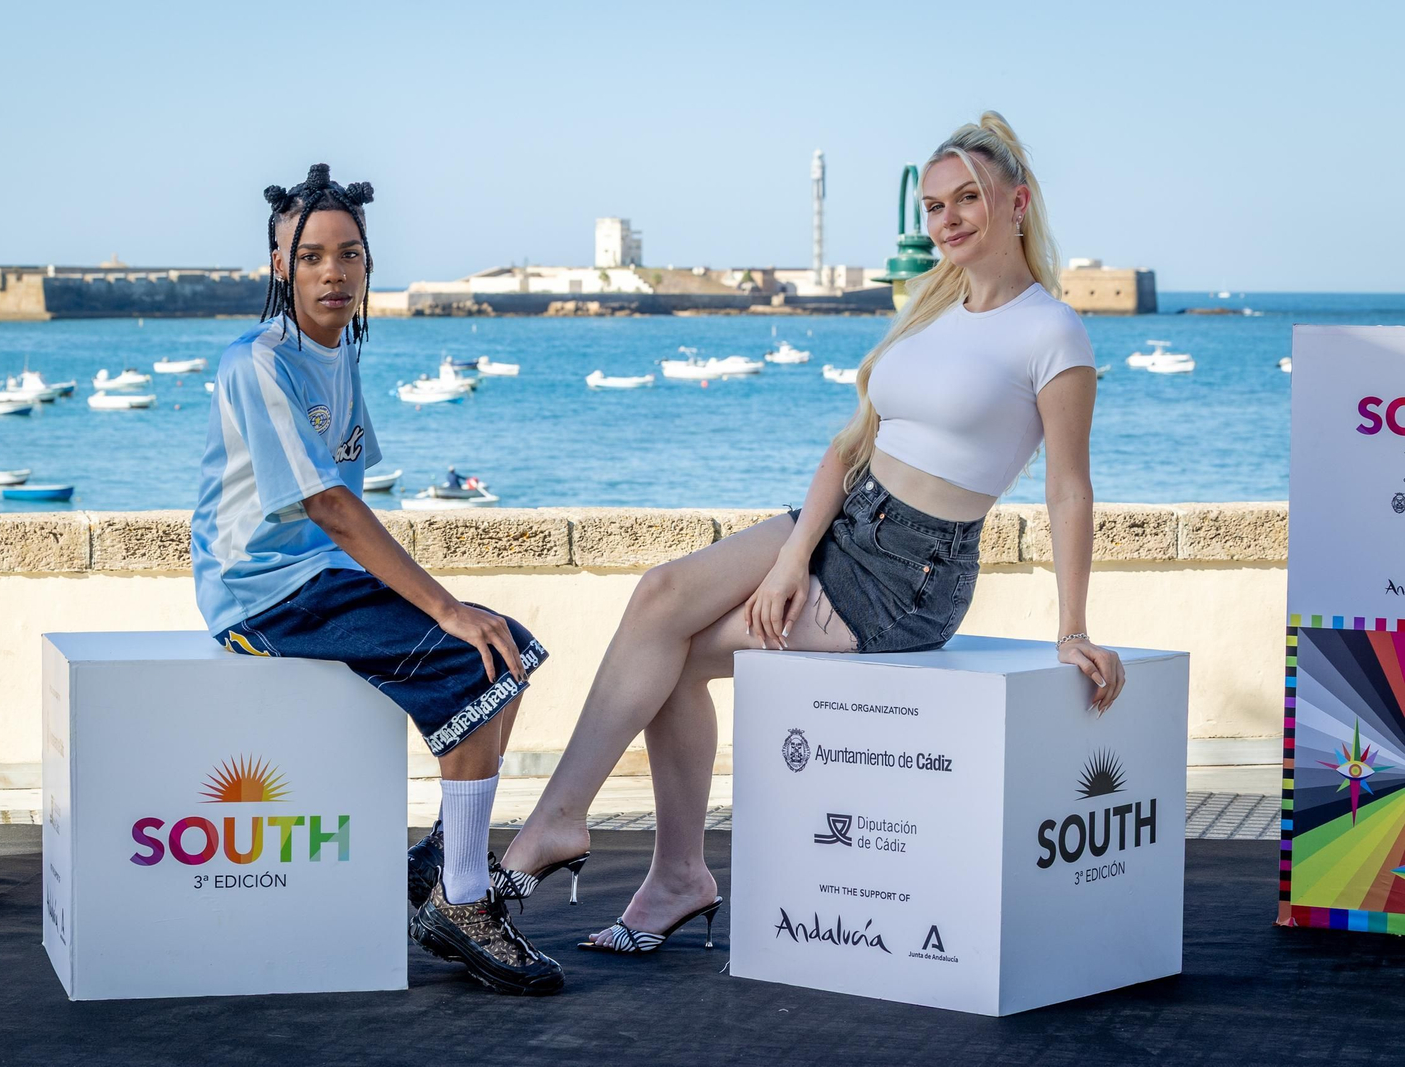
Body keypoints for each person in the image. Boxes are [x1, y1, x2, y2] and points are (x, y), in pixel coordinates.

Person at [499, 112, 1126, 952]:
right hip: (839, 520)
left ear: (1018, 201)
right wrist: (792, 557)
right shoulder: (933, 307)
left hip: (910, 574)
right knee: (660, 598)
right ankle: (581, 832)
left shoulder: (1053, 332)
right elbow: (848, 444)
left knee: (676, 660)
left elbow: (1068, 488)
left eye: (967, 198)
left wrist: (1074, 626)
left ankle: (630, 859)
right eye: (934, 206)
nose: (947, 219)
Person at [191, 165, 561, 995]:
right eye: (311, 255)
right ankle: (461, 902)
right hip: (260, 589)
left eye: (348, 254)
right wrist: (442, 606)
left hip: (319, 575)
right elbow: (330, 505)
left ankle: (441, 856)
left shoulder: (340, 351)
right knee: (472, 653)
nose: (332, 271)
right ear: (278, 268)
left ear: (367, 262)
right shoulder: (257, 361)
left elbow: (352, 499)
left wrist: (450, 610)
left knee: (508, 651)